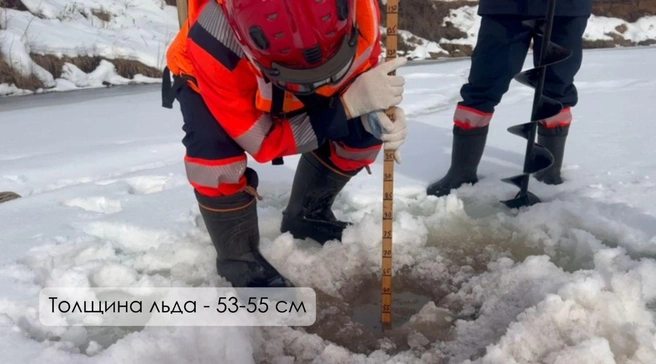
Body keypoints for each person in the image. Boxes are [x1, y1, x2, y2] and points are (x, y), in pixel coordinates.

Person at [162, 0, 408, 288]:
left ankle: (306, 216)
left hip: (302, 67)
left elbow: (364, 74)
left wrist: (372, 112)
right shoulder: (214, 44)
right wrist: (344, 109)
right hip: (212, 79)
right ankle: (238, 261)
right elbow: (262, 141)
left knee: (362, 133)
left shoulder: (363, 10)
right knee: (215, 157)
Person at [426, 0, 592, 197]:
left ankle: (549, 173)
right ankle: (461, 173)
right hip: (506, 6)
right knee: (484, 82)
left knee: (557, 87)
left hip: (567, 7)